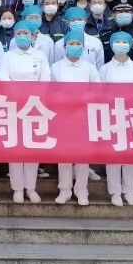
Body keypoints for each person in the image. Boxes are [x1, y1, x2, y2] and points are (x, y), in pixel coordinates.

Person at [0, 22, 52, 203]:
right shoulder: (7, 56)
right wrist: (18, 96)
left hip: (35, 106)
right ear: (14, 35)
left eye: (26, 33)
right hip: (13, 106)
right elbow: (4, 79)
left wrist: (33, 97)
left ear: (32, 36)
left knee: (32, 148)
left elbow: (45, 79)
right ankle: (17, 188)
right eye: (19, 33)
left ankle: (30, 188)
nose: (22, 36)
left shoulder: (40, 56)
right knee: (15, 148)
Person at [99, 32, 133, 207]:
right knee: (113, 155)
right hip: (112, 115)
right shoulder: (105, 69)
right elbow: (99, 92)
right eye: (117, 41)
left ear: (130, 44)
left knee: (131, 155)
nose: (121, 44)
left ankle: (130, 192)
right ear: (111, 45)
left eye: (124, 41)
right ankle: (115, 192)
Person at [51, 30, 101, 206]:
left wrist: (82, 99)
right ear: (64, 47)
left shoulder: (89, 68)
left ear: (83, 47)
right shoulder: (56, 67)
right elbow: (49, 91)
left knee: (82, 156)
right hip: (62, 116)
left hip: (83, 116)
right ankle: (64, 190)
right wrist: (63, 100)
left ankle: (81, 190)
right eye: (71, 44)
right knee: (64, 155)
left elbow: (97, 91)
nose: (74, 47)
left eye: (78, 44)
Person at [100, 3, 133, 77]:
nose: (124, 14)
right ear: (113, 15)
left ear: (132, 14)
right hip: (110, 77)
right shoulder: (105, 36)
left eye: (127, 11)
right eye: (120, 12)